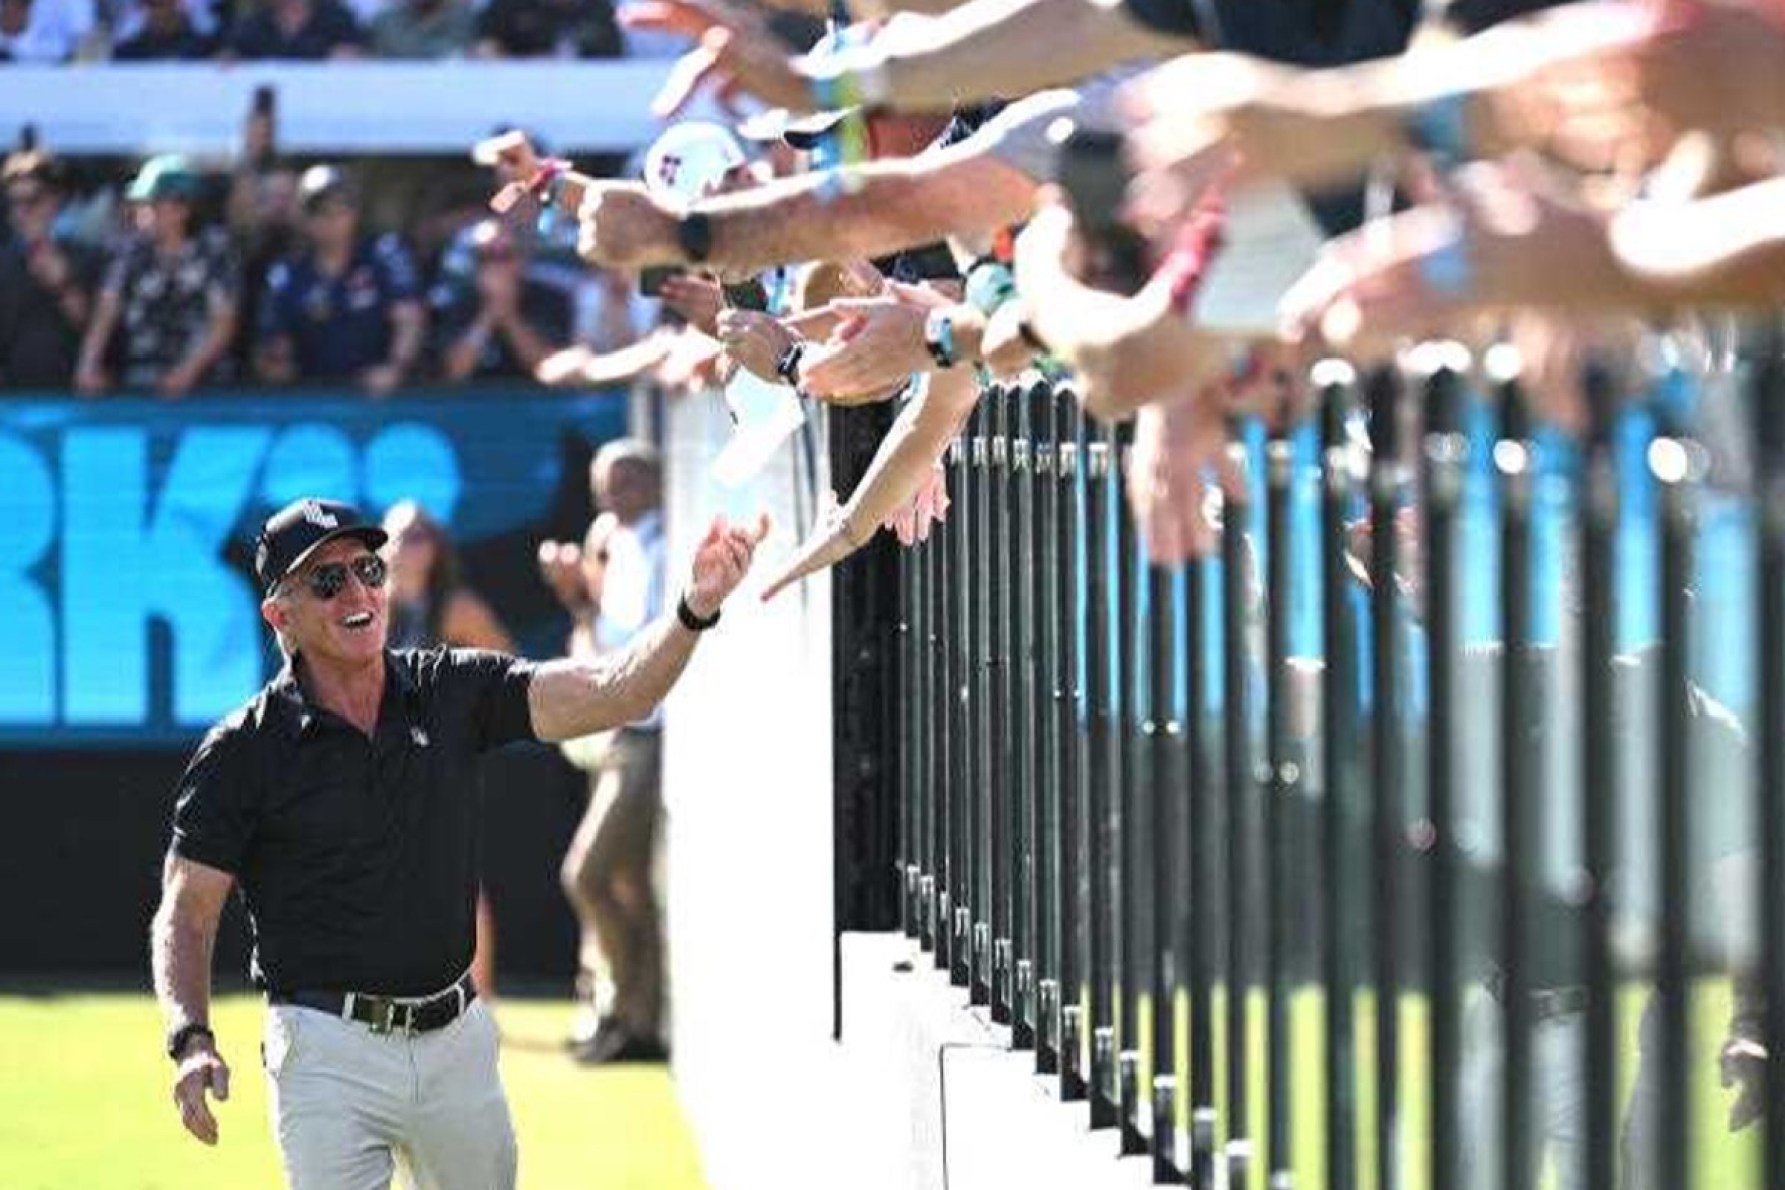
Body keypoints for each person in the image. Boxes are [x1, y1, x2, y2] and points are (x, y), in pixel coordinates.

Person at [149, 494, 766, 1186]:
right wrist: (190, 1038)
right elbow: (187, 910)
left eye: (367, 569)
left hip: (455, 1043)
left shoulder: (449, 689)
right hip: (324, 1052)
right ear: (279, 614)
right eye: (328, 580)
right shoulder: (242, 750)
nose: (358, 591)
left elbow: (612, 691)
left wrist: (692, 608)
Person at [536, 441, 675, 1063]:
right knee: (625, 883)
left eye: (621, 483)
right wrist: (578, 592)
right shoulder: (615, 543)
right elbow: (598, 640)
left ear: (651, 483)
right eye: (600, 485)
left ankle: (631, 1012)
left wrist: (580, 593)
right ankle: (630, 1017)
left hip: (647, 734)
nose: (607, 498)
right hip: (619, 728)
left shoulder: (661, 545)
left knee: (588, 875)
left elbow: (632, 642)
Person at [383, 499, 514, 1008]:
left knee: (457, 880)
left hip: (438, 762)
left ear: (436, 548)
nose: (411, 546)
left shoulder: (456, 608)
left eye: (421, 536)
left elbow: (508, 669)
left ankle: (481, 999)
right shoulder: (368, 606)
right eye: (401, 535)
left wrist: (456, 711)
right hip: (374, 762)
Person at [76, 154, 239, 397]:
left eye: (151, 204)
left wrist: (188, 372)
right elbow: (107, 310)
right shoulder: (129, 251)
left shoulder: (214, 251)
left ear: (182, 209)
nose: (141, 213)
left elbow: (223, 322)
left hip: (205, 387)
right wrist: (88, 364)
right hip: (143, 381)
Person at [257, 164, 425, 395]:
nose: (331, 221)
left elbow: (409, 318)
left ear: (355, 213)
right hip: (314, 399)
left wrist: (395, 367)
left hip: (381, 396)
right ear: (305, 219)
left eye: (341, 209)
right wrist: (277, 365)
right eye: (320, 212)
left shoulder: (384, 255)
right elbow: (275, 344)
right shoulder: (288, 273)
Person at [0, 149, 99, 390]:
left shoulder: (87, 257)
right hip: (13, 404)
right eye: (14, 202)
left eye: (32, 200)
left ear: (54, 201)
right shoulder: (3, 262)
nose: (22, 211)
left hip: (76, 401)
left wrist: (62, 285)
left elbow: (102, 333)